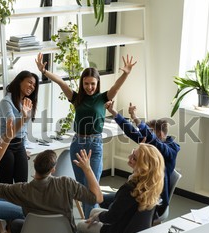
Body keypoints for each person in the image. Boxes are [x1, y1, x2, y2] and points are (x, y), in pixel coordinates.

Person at [35, 52, 137, 218]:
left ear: (97, 84)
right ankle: (91, 222)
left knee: (92, 187)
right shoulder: (76, 98)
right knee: (83, 188)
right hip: (77, 144)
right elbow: (61, 82)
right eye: (87, 83)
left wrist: (125, 73)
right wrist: (44, 72)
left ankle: (91, 223)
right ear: (82, 84)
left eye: (93, 84)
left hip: (94, 146)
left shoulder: (103, 98)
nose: (90, 87)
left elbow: (116, 87)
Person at [0, 148, 104, 233]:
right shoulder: (66, 183)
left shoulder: (22, 189)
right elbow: (98, 198)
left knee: (15, 224)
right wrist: (87, 169)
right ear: (53, 169)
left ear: (34, 164)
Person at [76, 143, 165, 233]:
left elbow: (111, 217)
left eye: (134, 158)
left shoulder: (130, 187)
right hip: (138, 230)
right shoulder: (153, 185)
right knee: (94, 211)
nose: (129, 157)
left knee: (81, 226)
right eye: (132, 153)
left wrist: (97, 217)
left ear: (143, 166)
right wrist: (97, 215)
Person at [104, 101, 180, 219]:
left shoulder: (170, 150)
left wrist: (135, 118)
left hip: (153, 202)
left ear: (160, 134)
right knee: (102, 200)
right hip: (139, 193)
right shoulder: (149, 144)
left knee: (114, 208)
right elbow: (130, 131)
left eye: (150, 131)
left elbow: (152, 139)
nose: (146, 134)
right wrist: (114, 112)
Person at [0, 70, 39, 184]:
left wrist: (24, 147)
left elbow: (23, 130)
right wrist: (23, 116)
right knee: (7, 185)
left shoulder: (26, 102)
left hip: (19, 145)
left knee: (23, 185)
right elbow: (11, 129)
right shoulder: (6, 102)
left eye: (34, 85)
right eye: (29, 82)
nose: (32, 86)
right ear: (19, 81)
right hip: (6, 145)